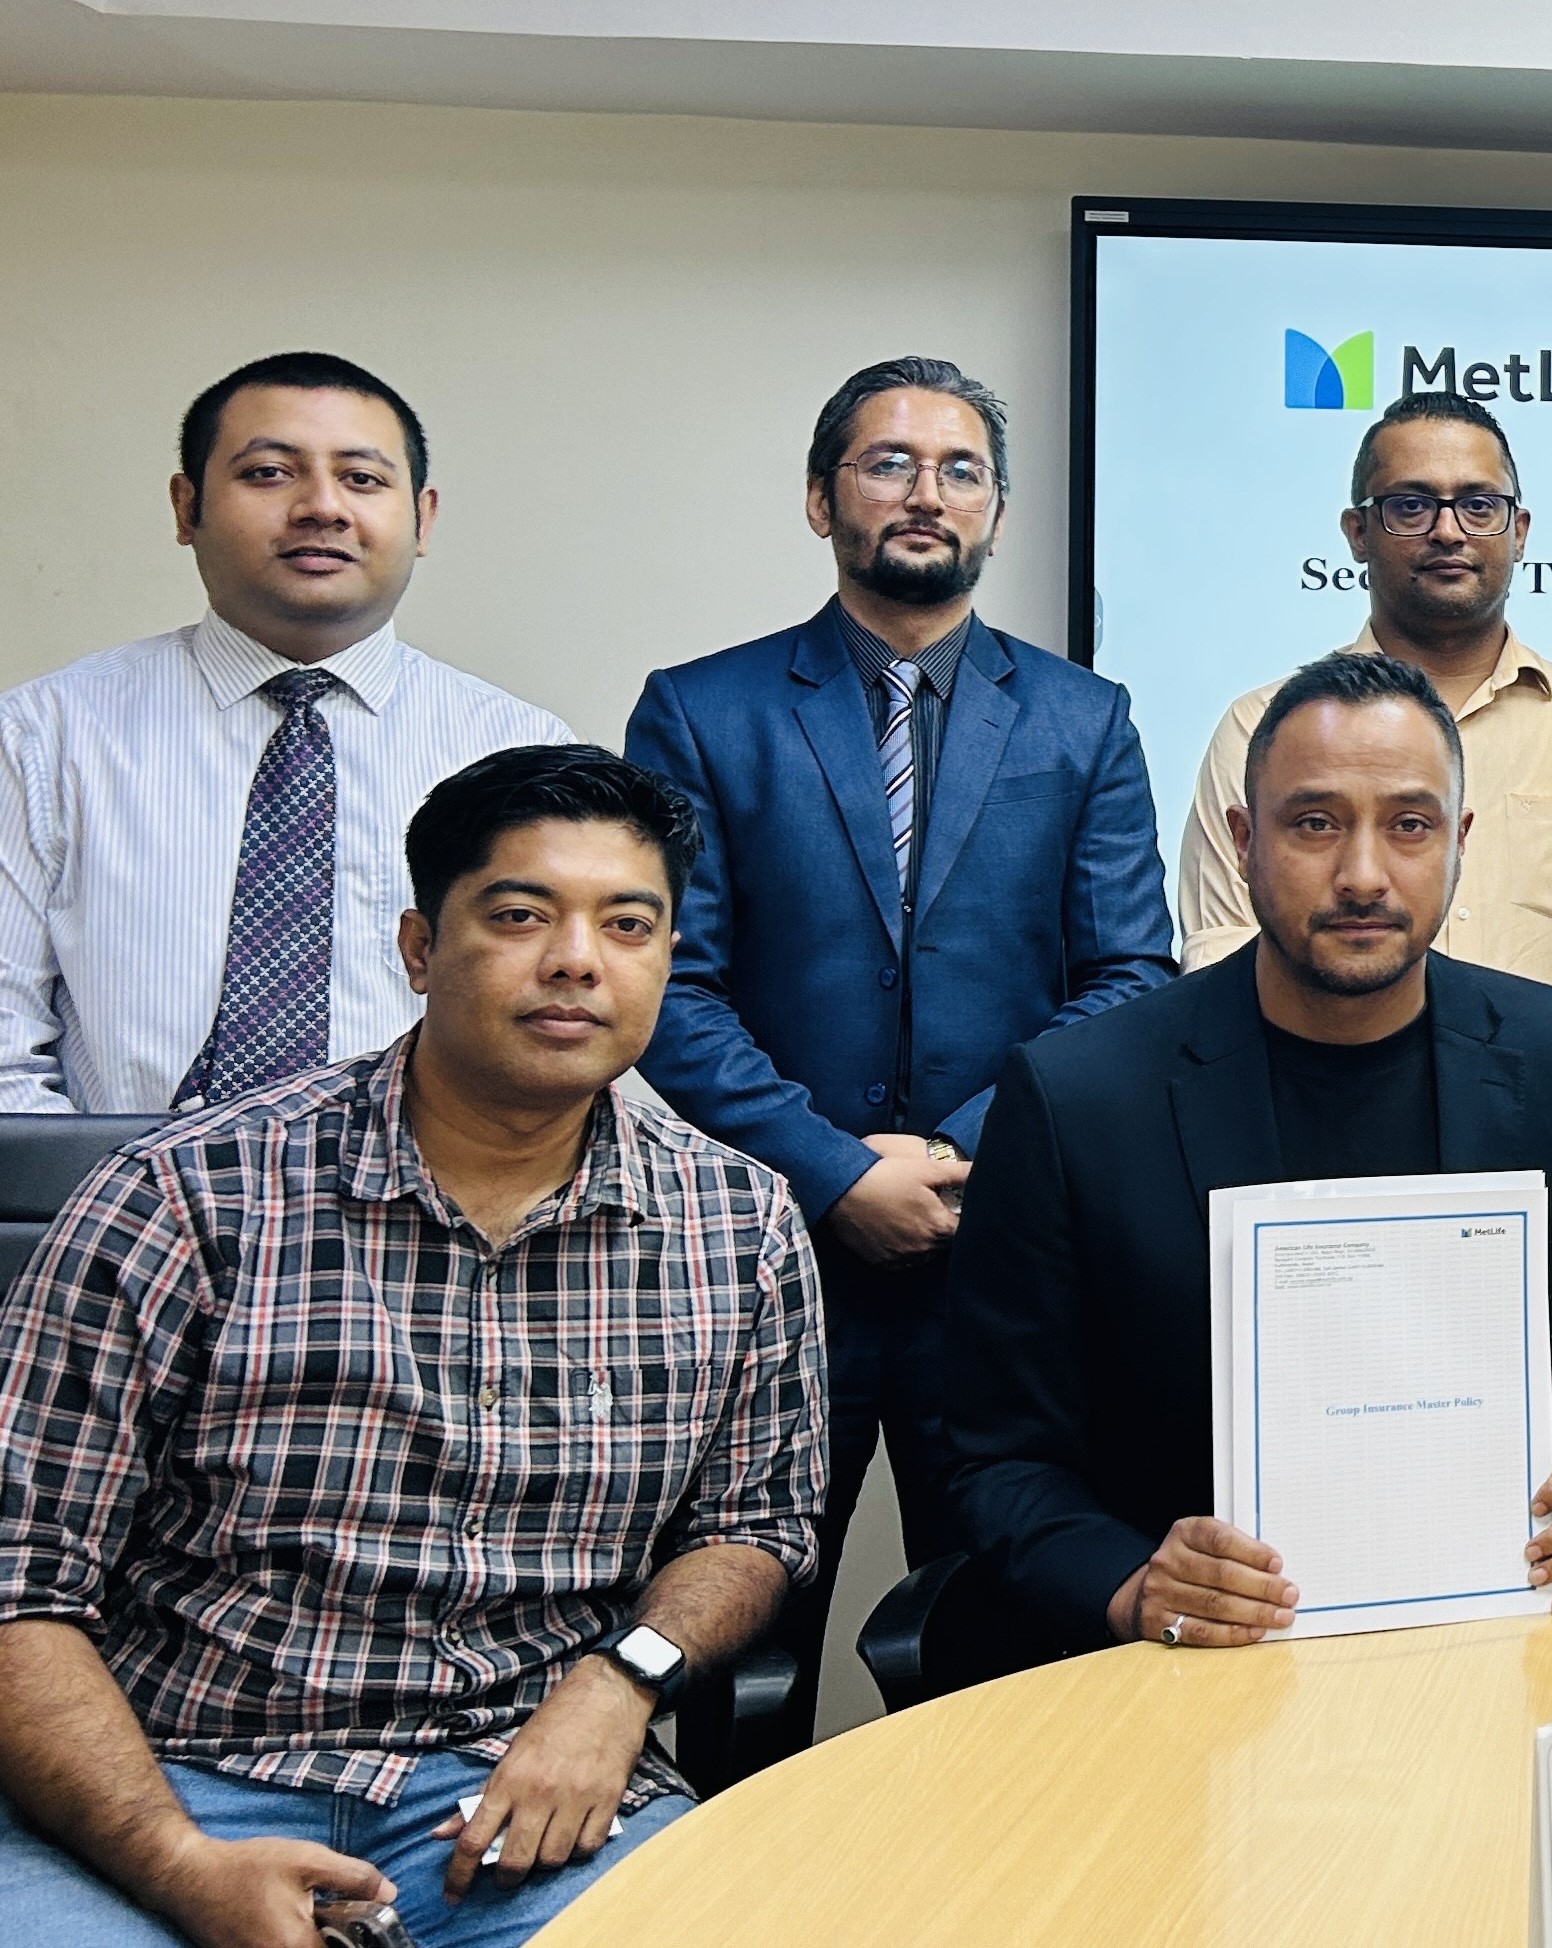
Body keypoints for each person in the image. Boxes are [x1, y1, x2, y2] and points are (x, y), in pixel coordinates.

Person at [0, 745, 827, 1948]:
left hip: (520, 1784)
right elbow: (20, 1580)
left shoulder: (738, 1225)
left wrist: (623, 1677)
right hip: (168, 1778)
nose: (577, 960)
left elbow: (756, 1525)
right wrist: (178, 1864)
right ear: (420, 948)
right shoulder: (184, 1195)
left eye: (628, 924)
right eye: (520, 914)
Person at [621, 355, 1173, 1751]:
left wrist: (960, 1151)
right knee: (739, 1652)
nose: (926, 493)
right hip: (769, 1257)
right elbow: (670, 985)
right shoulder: (701, 710)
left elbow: (1127, 977)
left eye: (959, 469)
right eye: (888, 463)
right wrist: (834, 1172)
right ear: (822, 500)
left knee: (1001, 1640)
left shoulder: (1083, 718)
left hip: (1002, 1260)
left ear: (996, 511)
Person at [939, 650, 1552, 1653]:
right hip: (1193, 1667)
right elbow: (994, 1455)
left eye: (1409, 825)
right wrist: (1132, 1583)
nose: (1363, 874)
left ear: (1458, 842)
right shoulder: (1074, 1097)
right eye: (1314, 823)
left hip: (1495, 1637)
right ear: (1242, 841)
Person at [0, 351, 569, 1114]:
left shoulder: (521, 752)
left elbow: (549, 1029)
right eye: (269, 473)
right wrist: (117, 1188)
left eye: (361, 478)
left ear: (423, 518)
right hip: (115, 1183)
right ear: (187, 507)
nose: (322, 507)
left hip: (427, 1188)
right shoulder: (42, 738)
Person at [1176, 392, 1552, 1063]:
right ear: (1357, 532)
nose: (1448, 531)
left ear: (1519, 531)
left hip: (1551, 1118)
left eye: (1479, 505)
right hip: (1319, 1118)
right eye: (1411, 506)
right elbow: (1223, 952)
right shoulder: (1263, 728)